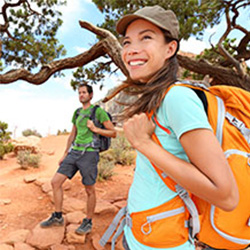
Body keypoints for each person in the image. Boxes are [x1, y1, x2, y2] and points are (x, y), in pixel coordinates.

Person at [115, 5, 239, 250]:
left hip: (164, 243)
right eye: (127, 42)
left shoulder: (177, 98)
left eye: (146, 37)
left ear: (170, 48)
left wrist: (143, 144)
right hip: (142, 233)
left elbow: (226, 196)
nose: (131, 50)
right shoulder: (157, 98)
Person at [40, 83, 116, 235]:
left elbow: (113, 133)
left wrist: (95, 129)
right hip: (74, 152)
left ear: (91, 95)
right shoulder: (77, 113)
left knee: (89, 189)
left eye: (84, 92)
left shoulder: (98, 112)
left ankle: (87, 221)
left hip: (89, 154)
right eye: (79, 93)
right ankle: (58, 216)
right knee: (55, 182)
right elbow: (72, 134)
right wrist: (65, 154)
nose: (81, 95)